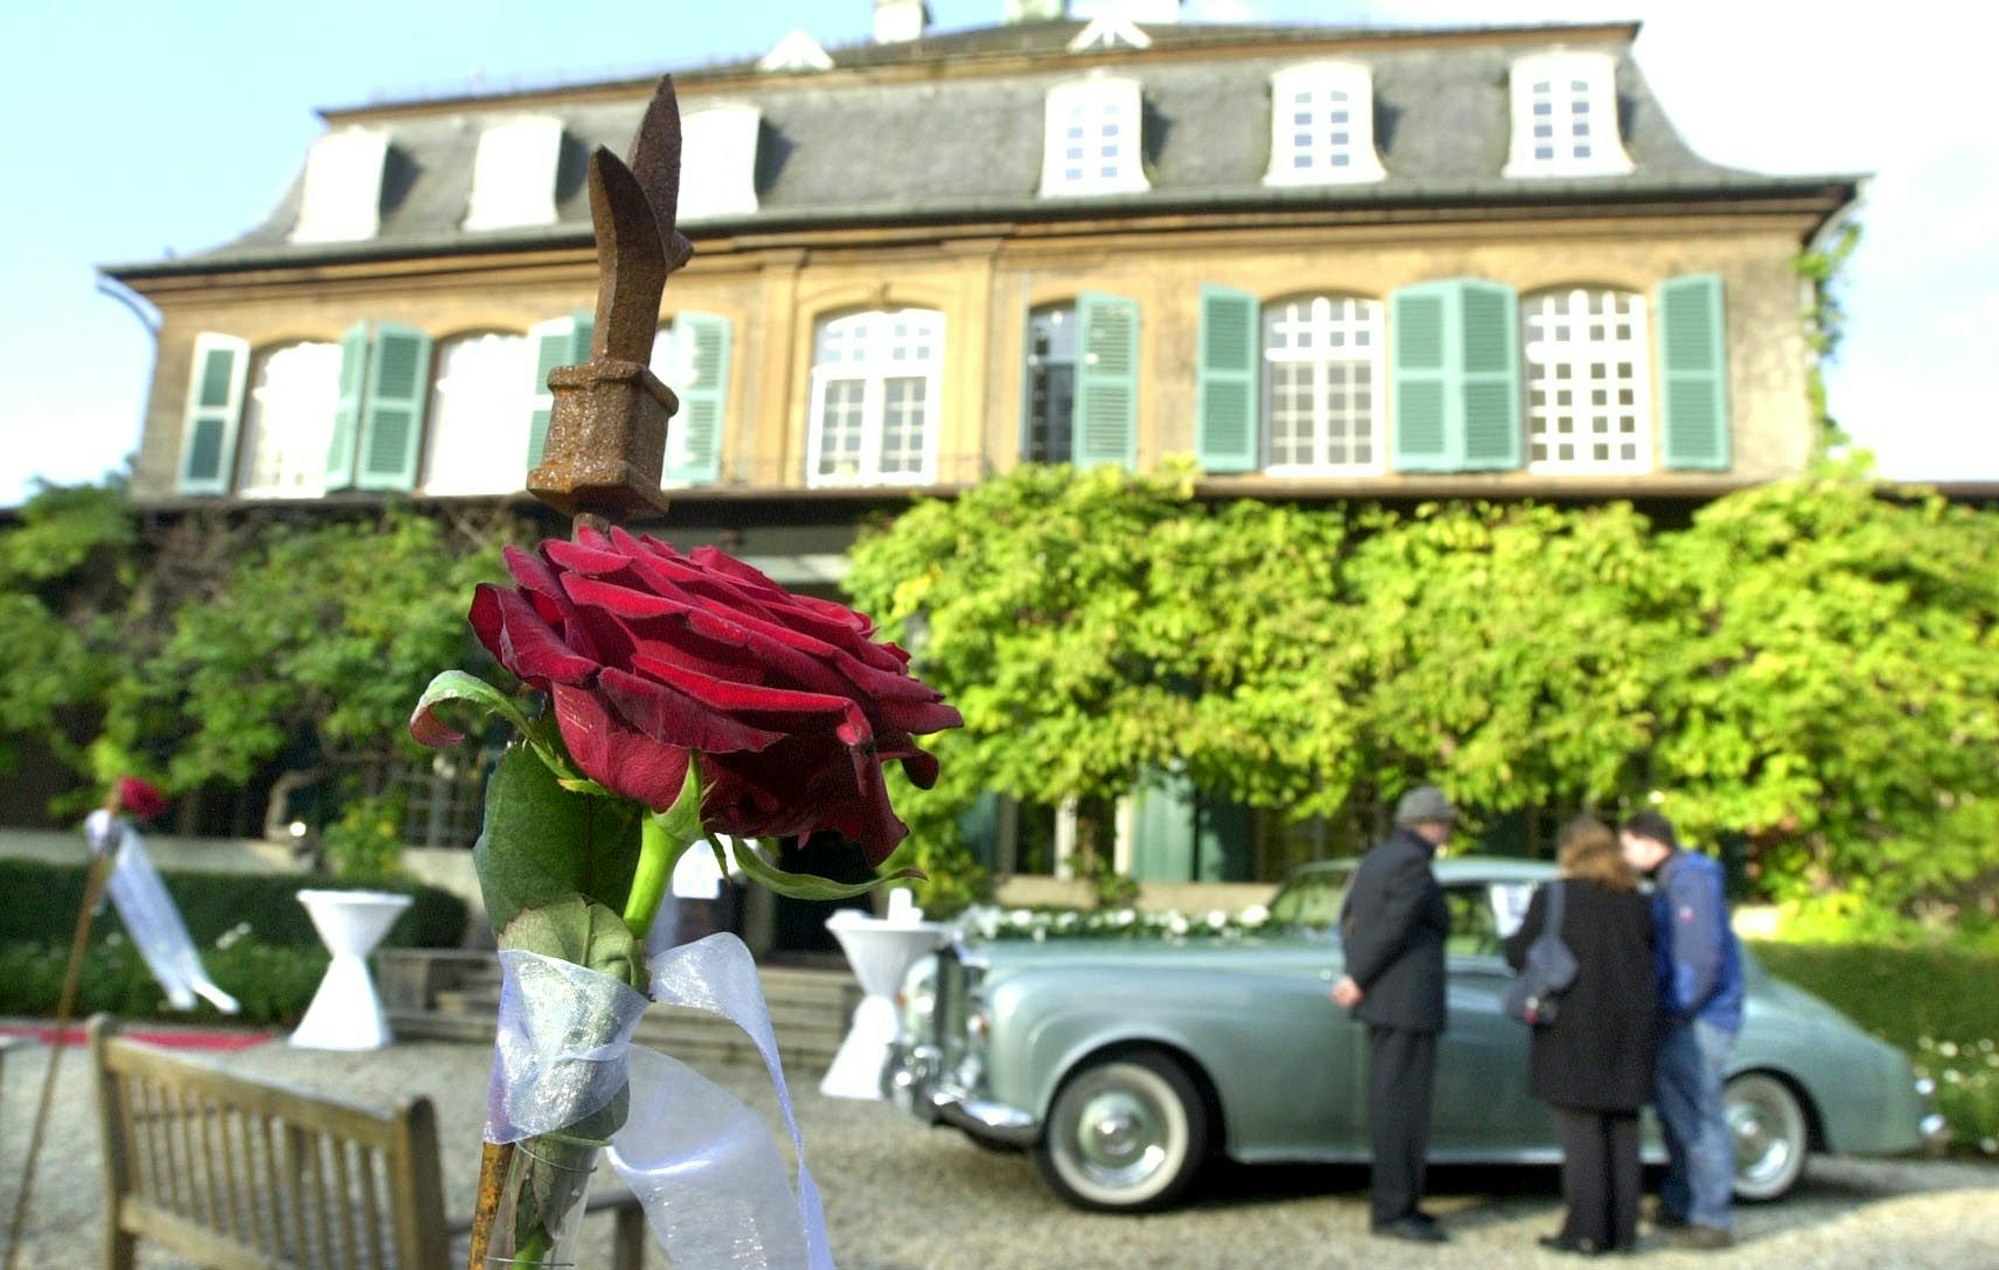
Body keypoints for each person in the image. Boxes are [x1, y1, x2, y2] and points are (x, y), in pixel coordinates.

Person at [1505, 817, 1657, 1256]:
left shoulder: (1554, 896)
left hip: (1574, 1026)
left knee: (1582, 1132)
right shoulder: (1636, 899)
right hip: (1632, 1028)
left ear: (1569, 851)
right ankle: (1623, 1233)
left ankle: (1586, 1231)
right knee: (1624, 1133)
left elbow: (1519, 954)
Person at [1332, 785, 1455, 1244]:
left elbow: (1351, 923)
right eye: (1444, 822)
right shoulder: (1413, 865)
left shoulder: (1377, 859)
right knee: (1403, 1110)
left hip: (1385, 1002)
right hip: (1407, 1003)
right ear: (1431, 824)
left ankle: (1398, 1201)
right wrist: (1358, 977)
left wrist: (1357, 971)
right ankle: (1395, 1208)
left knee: (1391, 1105)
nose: (1447, 831)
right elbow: (1394, 928)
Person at [1620, 809, 1742, 1251]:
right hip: (1689, 1014)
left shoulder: (1689, 881)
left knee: (1697, 1114)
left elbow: (1699, 957)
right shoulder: (1674, 880)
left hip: (1700, 1018)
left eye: (1628, 844)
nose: (1624, 853)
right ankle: (1682, 1200)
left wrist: (1676, 1007)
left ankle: (1712, 1217)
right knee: (1677, 1113)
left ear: (1651, 844)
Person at [85, 777, 240, 1014]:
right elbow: (102, 855)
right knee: (149, 934)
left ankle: (193, 985)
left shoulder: (124, 830)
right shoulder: (100, 822)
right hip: (120, 883)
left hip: (133, 884)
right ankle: (178, 986)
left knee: (163, 928)